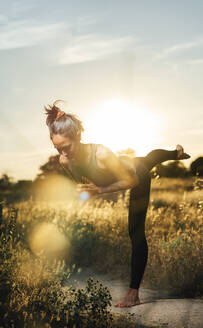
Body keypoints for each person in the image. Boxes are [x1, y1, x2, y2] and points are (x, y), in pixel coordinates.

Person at [45, 100, 190, 308]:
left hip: (134, 174)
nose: (63, 153)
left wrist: (101, 190)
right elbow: (84, 182)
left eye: (66, 147)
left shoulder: (102, 154)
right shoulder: (65, 160)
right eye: (57, 148)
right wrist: (84, 190)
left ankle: (133, 294)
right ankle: (175, 153)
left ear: (78, 136)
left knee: (136, 228)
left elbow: (132, 181)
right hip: (123, 165)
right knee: (146, 159)